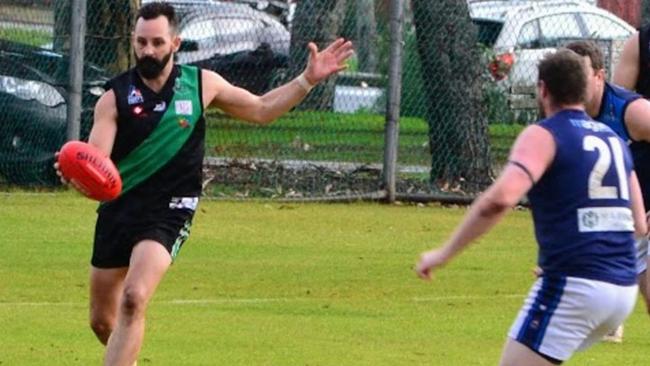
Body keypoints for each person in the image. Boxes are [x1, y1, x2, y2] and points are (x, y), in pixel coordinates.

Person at [55, 2, 353, 365]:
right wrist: (79, 174)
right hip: (122, 209)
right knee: (103, 322)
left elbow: (261, 109)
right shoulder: (114, 98)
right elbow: (98, 164)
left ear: (176, 43)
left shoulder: (200, 85)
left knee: (134, 297)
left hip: (169, 209)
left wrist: (306, 80)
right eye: (142, 42)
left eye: (157, 42)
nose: (148, 50)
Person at [415, 49, 646, 365]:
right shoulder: (613, 139)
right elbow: (638, 224)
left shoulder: (544, 134)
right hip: (622, 290)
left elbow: (499, 200)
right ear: (585, 88)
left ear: (543, 89)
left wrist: (442, 253)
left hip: (576, 285)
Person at [565, 40, 650, 343]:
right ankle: (609, 322)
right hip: (623, 216)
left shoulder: (632, 111)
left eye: (580, 74)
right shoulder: (567, 117)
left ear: (599, 76)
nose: (572, 83)